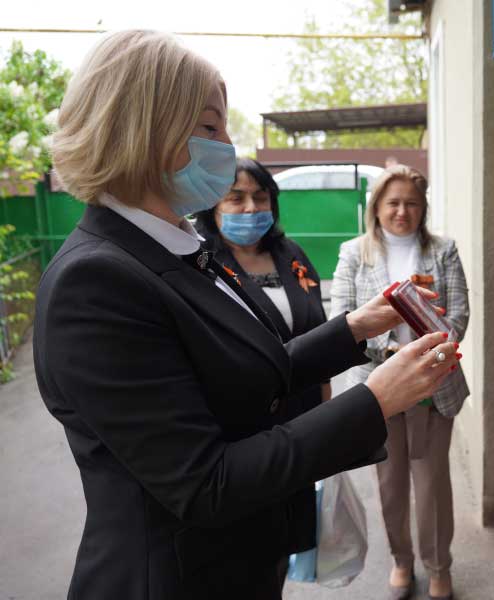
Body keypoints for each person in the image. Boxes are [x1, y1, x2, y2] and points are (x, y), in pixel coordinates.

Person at [34, 30, 458, 600]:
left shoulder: (177, 245)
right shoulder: (96, 283)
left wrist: (355, 327)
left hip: (245, 556)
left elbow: (244, 372)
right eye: (211, 128)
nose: (228, 148)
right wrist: (375, 399)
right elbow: (204, 483)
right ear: (144, 130)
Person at [330, 165, 470, 600]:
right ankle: (402, 561)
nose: (402, 211)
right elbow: (342, 319)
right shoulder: (354, 253)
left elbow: (459, 315)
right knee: (390, 486)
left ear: (423, 207)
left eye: (411, 203)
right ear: (376, 207)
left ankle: (438, 565)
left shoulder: (443, 250)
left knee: (431, 485)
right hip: (378, 387)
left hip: (434, 383)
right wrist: (390, 351)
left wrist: (421, 353)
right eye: (392, 203)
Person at [194, 158, 331, 404]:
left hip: (308, 401)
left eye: (260, 197)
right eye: (236, 199)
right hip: (245, 407)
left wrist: (325, 393)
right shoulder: (202, 263)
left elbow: (318, 328)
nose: (251, 208)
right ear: (212, 206)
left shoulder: (291, 254)